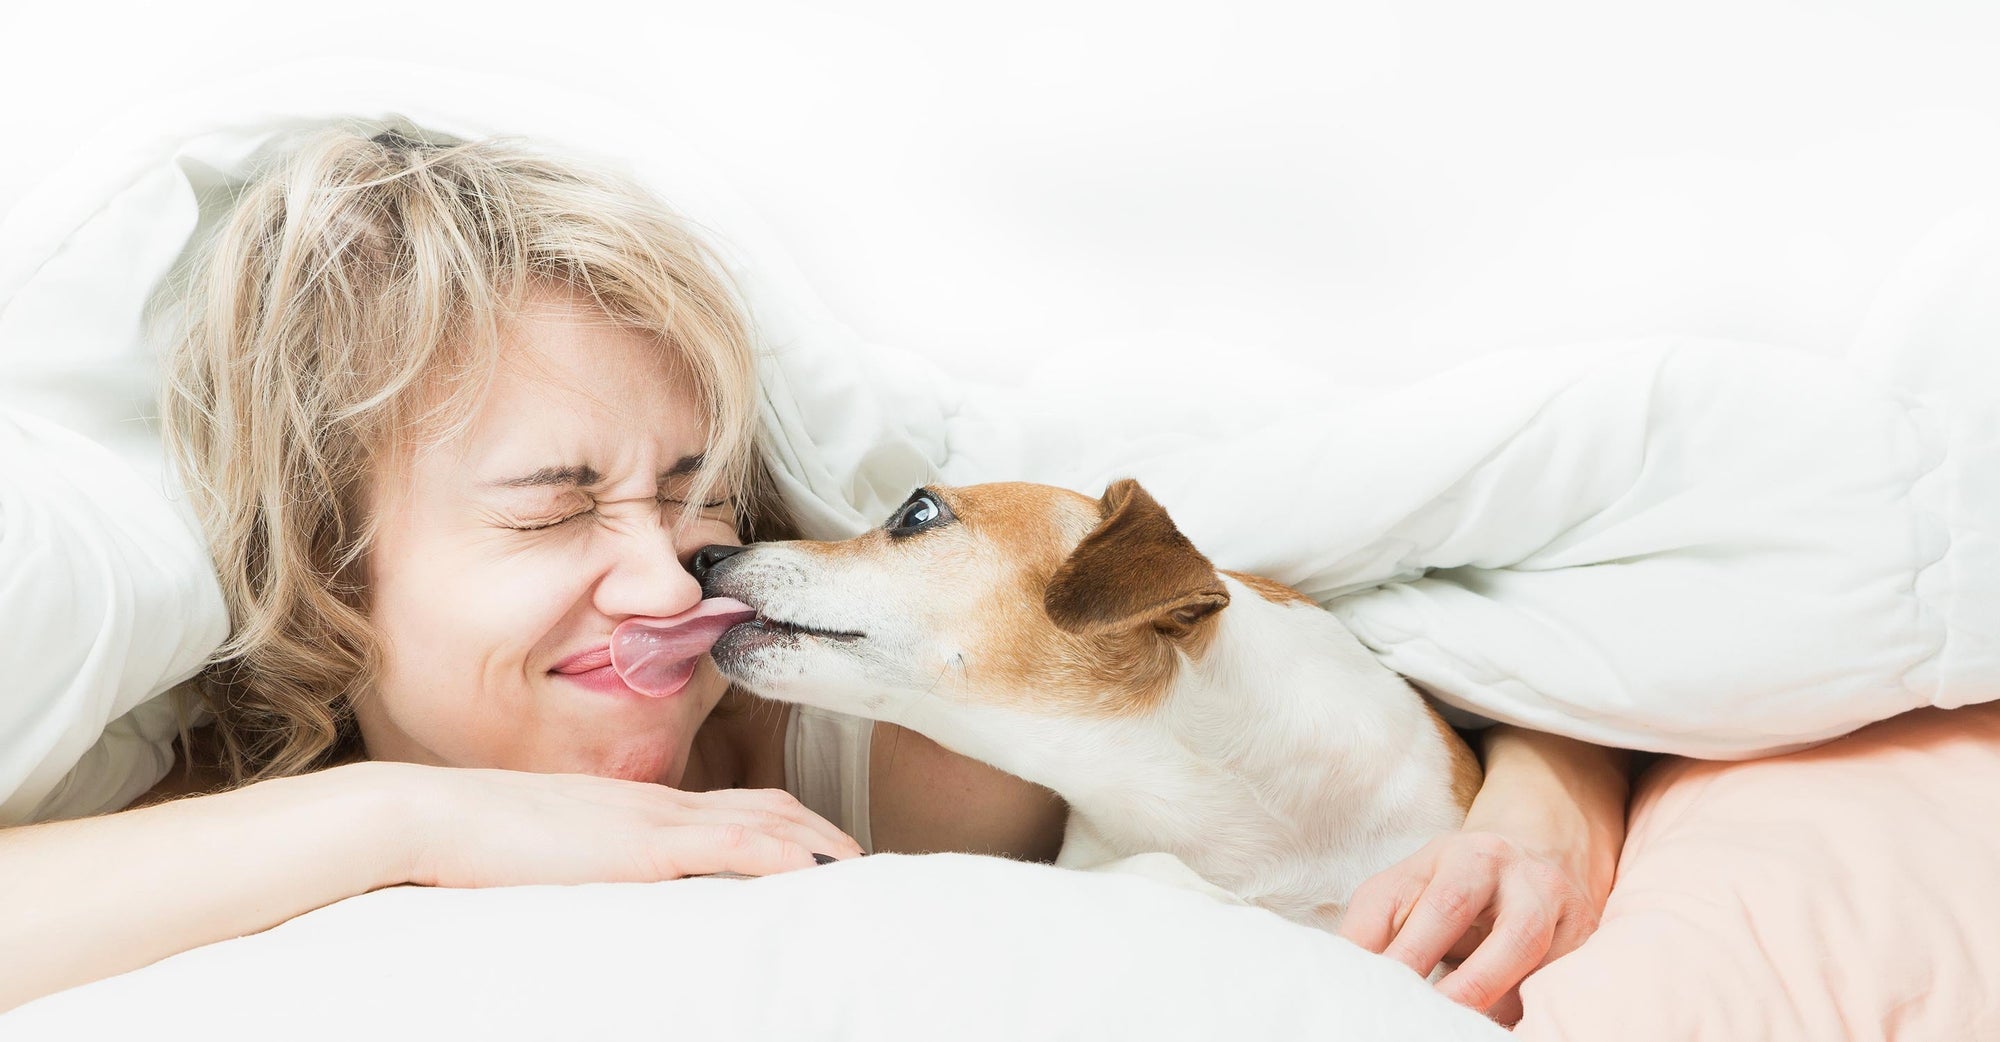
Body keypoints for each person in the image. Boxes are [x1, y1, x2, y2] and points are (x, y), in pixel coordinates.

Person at [0, 124, 1629, 1019]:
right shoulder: (182, 798)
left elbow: (1451, 621)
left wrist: (1552, 791)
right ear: (329, 555)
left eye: (687, 492)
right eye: (552, 508)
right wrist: (405, 816)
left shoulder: (892, 749)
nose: (664, 586)